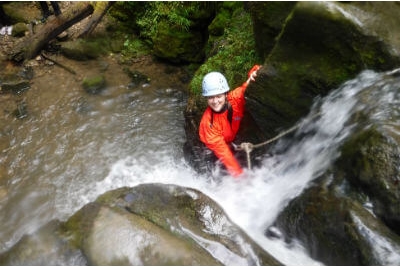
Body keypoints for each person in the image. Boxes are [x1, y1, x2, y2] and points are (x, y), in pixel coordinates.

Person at [198, 65, 261, 177]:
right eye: (211, 97)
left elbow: (249, 83)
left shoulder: (236, 99)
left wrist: (255, 72)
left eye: (218, 96)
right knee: (215, 172)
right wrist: (240, 177)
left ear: (226, 94)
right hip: (212, 147)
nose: (215, 101)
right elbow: (224, 154)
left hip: (231, 137)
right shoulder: (208, 123)